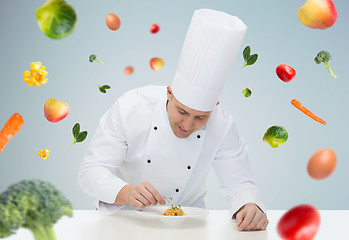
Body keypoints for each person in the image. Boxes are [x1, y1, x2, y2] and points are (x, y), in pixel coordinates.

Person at [79, 9, 269, 231]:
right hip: (127, 221)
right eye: (182, 111)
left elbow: (239, 182)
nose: (187, 126)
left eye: (200, 117)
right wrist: (127, 193)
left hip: (191, 224)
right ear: (169, 93)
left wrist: (249, 205)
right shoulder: (131, 108)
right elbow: (91, 171)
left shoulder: (223, 125)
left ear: (214, 107)